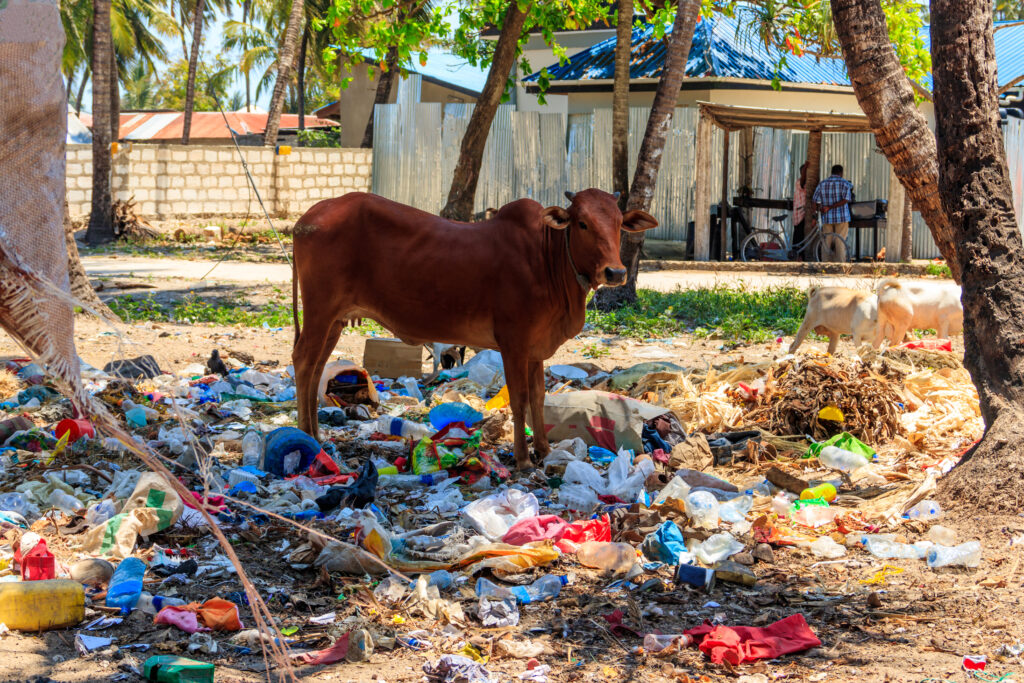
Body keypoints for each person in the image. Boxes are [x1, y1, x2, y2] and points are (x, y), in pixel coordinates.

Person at [812, 164, 854, 261]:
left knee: (826, 242)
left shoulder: (822, 184)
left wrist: (815, 216)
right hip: (842, 217)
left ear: (832, 172)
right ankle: (840, 267)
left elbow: (814, 201)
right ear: (841, 173)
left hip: (827, 218)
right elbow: (846, 199)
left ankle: (825, 265)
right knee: (840, 242)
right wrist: (831, 206)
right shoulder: (845, 183)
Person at [792, 162, 809, 248]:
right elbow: (802, 181)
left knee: (801, 236)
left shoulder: (808, 183)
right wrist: (805, 167)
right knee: (798, 236)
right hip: (800, 213)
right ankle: (796, 255)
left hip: (803, 212)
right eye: (805, 172)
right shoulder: (800, 182)